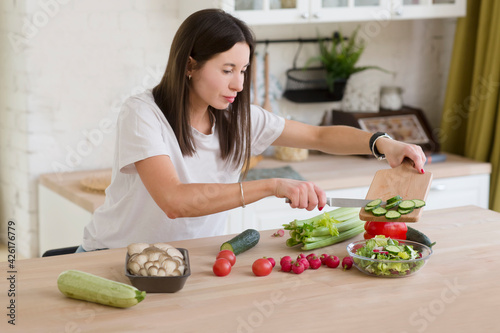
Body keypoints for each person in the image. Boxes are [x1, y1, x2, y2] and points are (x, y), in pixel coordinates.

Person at [76, 9, 426, 252]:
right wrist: (273, 186)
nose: (238, 84)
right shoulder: (143, 114)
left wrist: (383, 143)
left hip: (192, 259)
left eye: (243, 71)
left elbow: (317, 136)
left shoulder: (235, 118)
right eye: (227, 69)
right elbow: (175, 201)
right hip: (114, 257)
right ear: (189, 65)